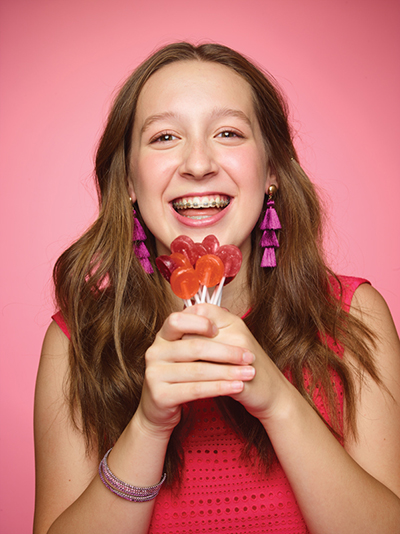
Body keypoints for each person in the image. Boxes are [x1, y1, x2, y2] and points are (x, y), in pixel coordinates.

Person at [33, 42, 400, 534]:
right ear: (128, 181)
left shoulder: (352, 316)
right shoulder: (77, 342)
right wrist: (148, 425)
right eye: (164, 137)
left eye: (228, 132)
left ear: (271, 170)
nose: (199, 162)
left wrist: (277, 400)